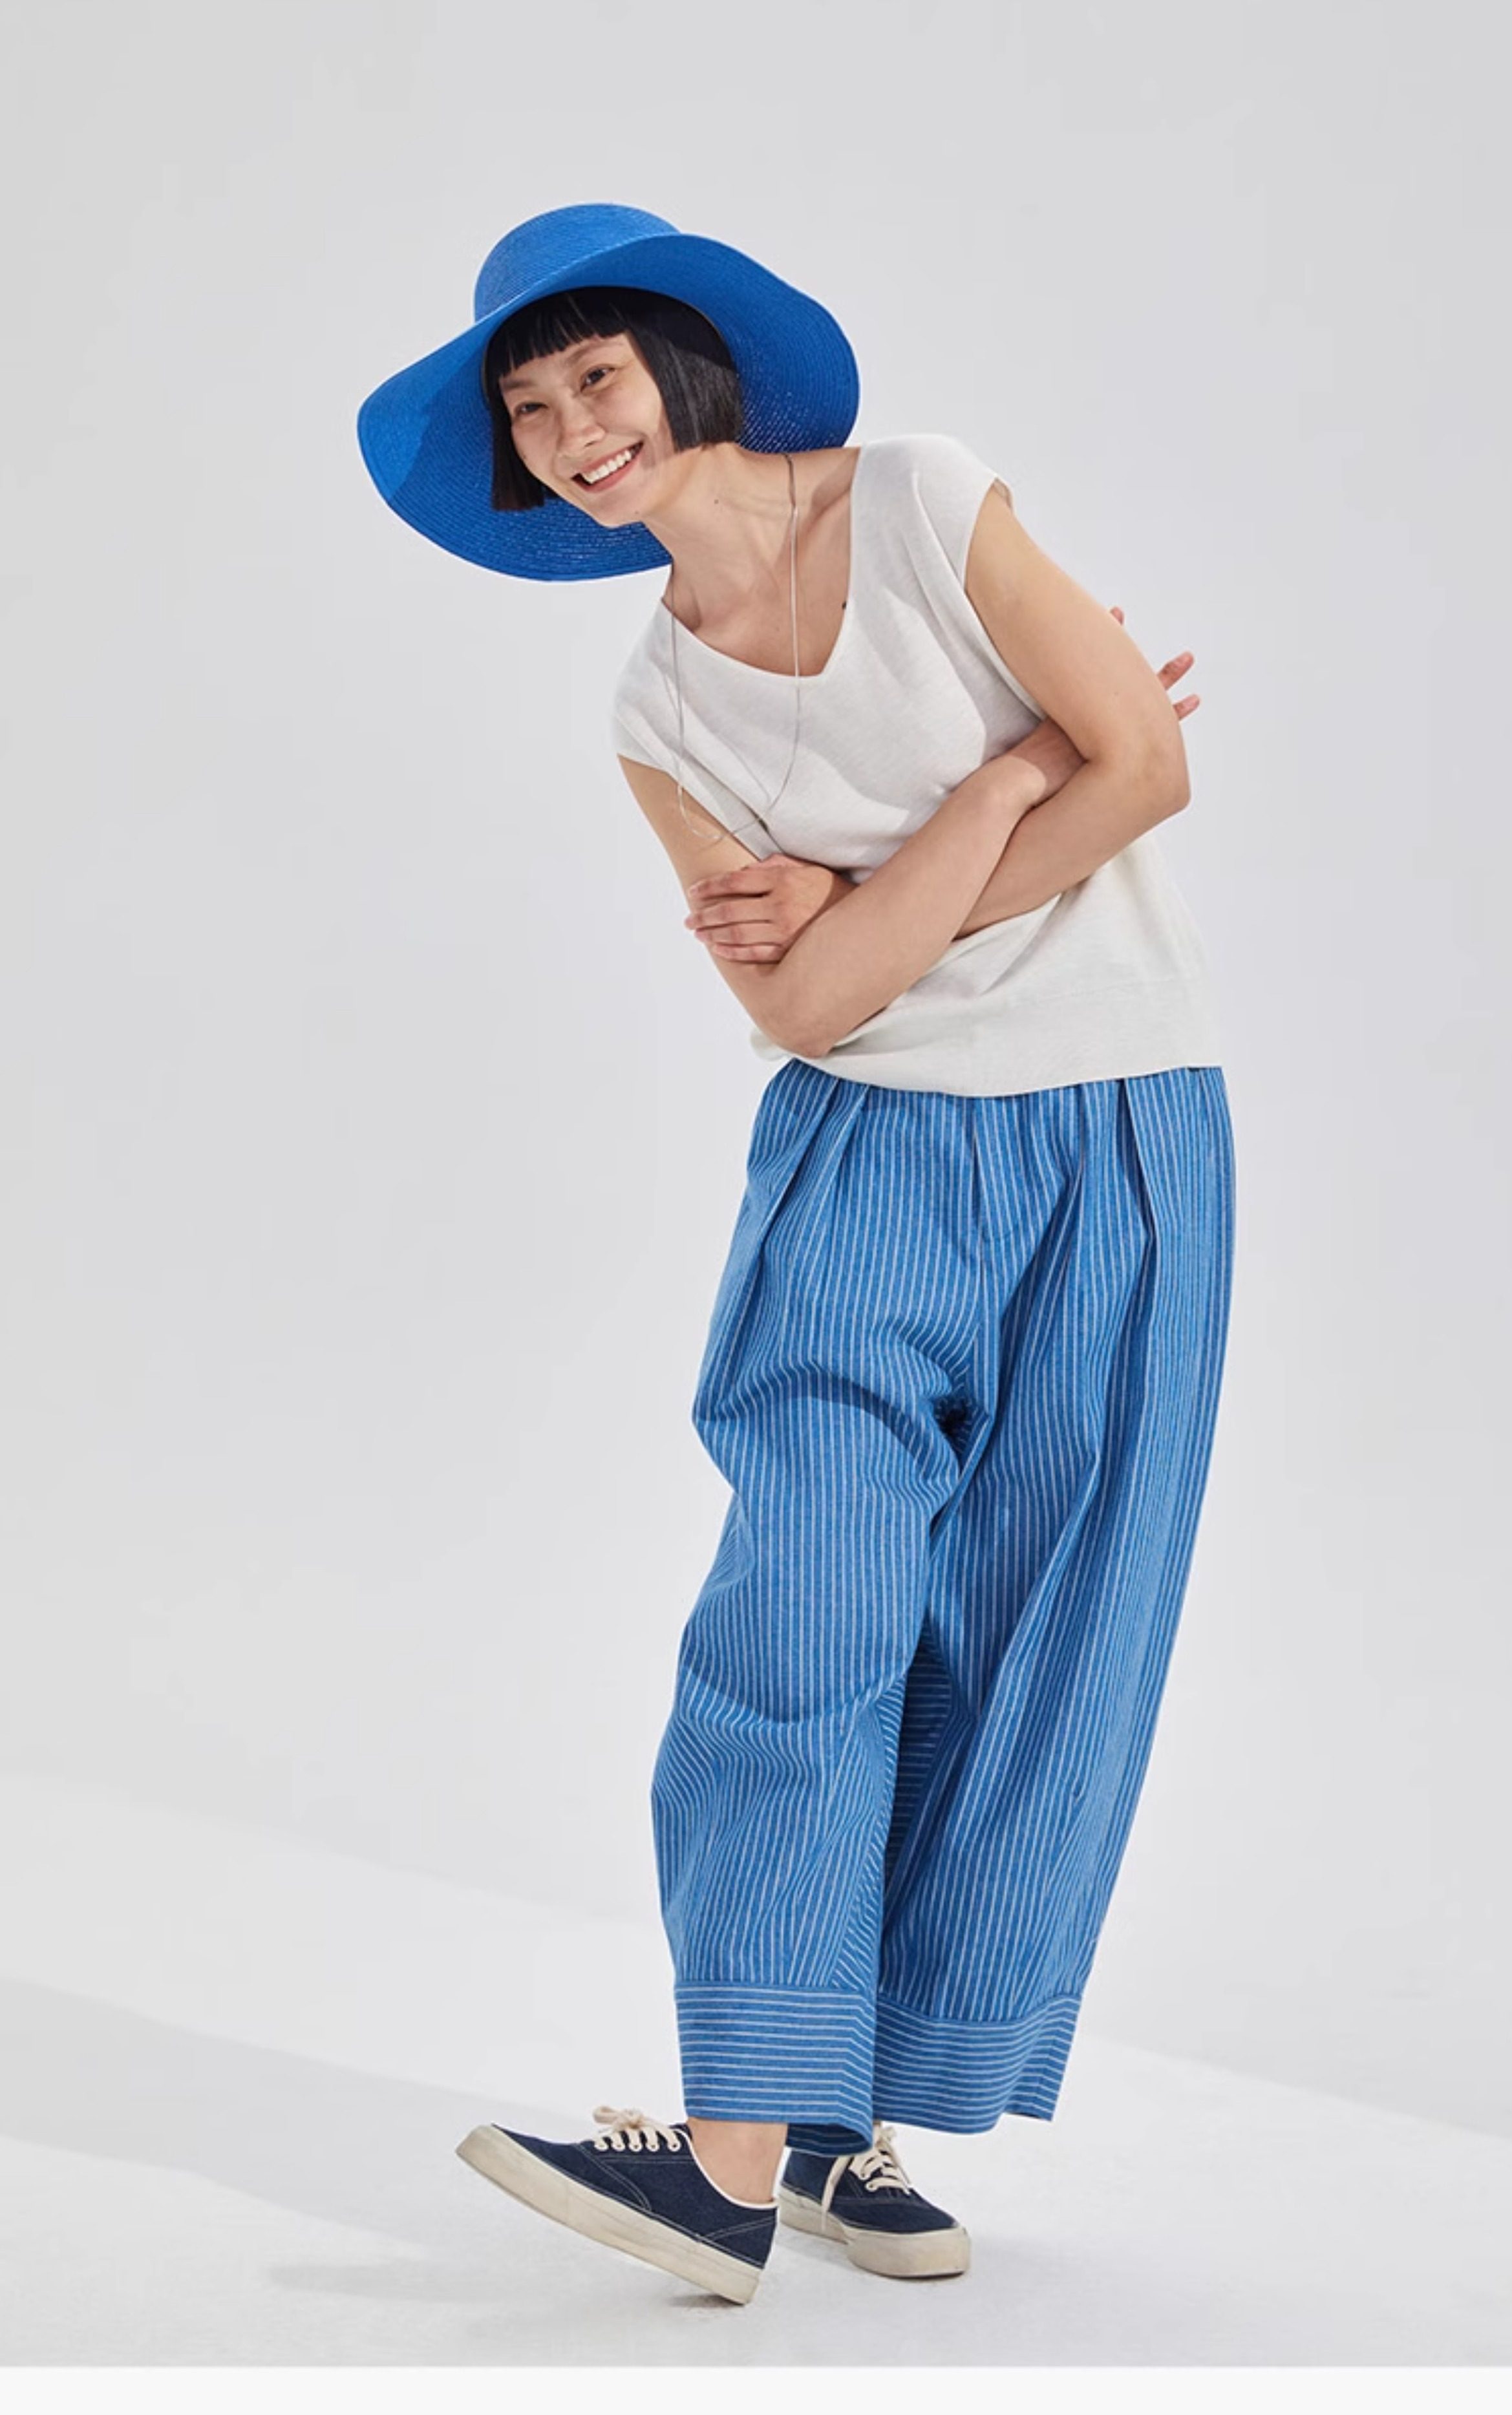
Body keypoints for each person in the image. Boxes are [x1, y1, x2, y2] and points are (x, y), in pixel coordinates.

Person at [356, 202, 1235, 2308]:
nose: (575, 429)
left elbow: (1154, 767)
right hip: (863, 1169)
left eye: (595, 377)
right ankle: (730, 2144)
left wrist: (877, 895)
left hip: (1124, 1131)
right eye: (530, 409)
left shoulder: (923, 505)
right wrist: (1002, 787)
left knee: (1031, 1647)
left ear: (683, 367)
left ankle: (839, 2123)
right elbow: (824, 1007)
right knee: (805, 1619)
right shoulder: (657, 711)